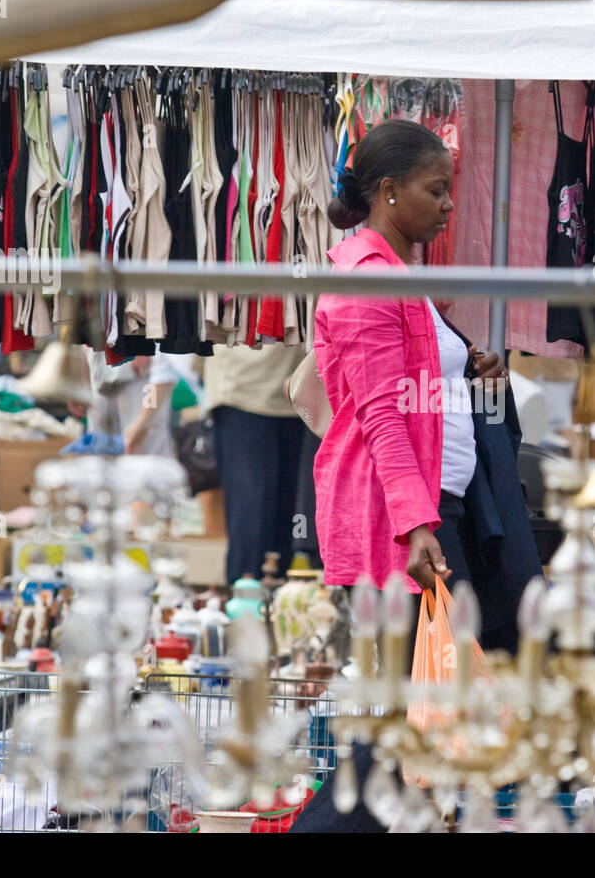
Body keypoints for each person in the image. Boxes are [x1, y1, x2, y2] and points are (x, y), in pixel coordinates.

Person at [312, 118, 542, 650]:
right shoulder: (369, 281)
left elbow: (418, 390)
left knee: (434, 695)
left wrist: (475, 374)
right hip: (404, 516)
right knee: (425, 696)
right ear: (389, 192)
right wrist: (415, 527)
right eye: (436, 191)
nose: (449, 206)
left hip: (441, 503)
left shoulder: (399, 277)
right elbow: (382, 415)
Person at [205, 341, 307, 584]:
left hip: (300, 392)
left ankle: (276, 603)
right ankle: (245, 605)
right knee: (251, 515)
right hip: (243, 390)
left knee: (290, 513)